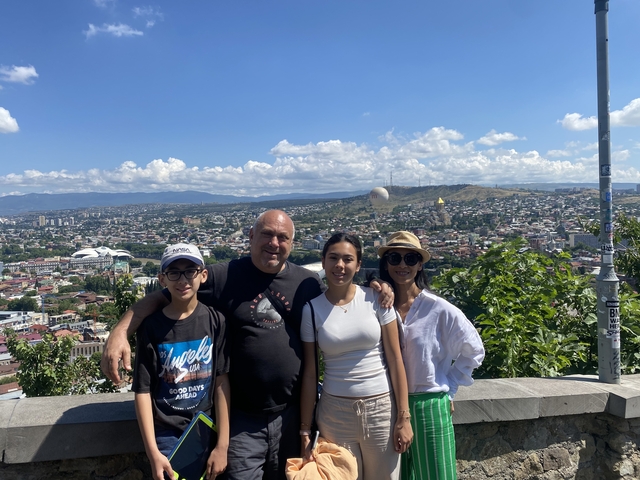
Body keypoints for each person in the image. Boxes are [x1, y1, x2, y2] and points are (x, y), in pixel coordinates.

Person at [101, 209, 394, 480]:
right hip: (242, 418)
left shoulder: (305, 282)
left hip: (292, 414)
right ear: (251, 236)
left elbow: (341, 295)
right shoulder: (223, 276)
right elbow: (168, 293)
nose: (274, 243)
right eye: (267, 234)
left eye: (283, 237)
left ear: (292, 243)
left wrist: (376, 286)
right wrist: (121, 331)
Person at [299, 233, 413, 480]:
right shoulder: (311, 310)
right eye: (333, 258)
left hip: (381, 411)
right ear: (323, 262)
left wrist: (404, 417)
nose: (340, 265)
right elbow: (310, 374)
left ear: (358, 265)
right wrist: (305, 430)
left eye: (348, 259)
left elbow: (395, 359)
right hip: (334, 415)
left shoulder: (377, 299)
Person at [377, 231, 485, 480]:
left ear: (420, 265)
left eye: (410, 258)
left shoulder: (439, 309)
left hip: (429, 404)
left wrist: (451, 387)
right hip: (389, 405)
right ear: (386, 264)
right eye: (394, 258)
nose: (402, 265)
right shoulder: (378, 304)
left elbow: (474, 350)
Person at [133, 243, 230, 480]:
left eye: (190, 271)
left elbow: (221, 382)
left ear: (202, 275)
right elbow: (142, 391)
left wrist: (223, 445)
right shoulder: (152, 328)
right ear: (162, 279)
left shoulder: (215, 321)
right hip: (167, 434)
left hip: (206, 429)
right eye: (174, 272)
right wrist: (153, 452)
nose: (183, 279)